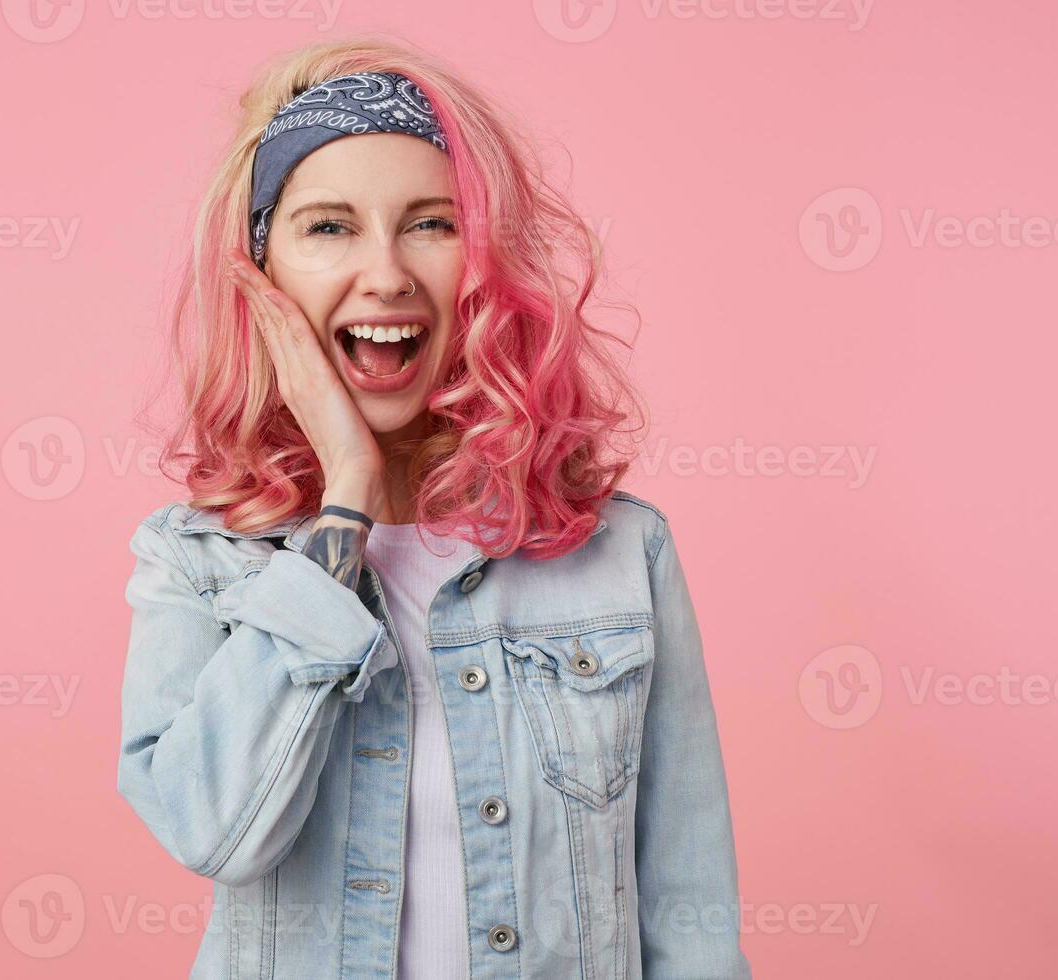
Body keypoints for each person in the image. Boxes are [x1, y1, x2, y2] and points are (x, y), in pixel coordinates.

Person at [117, 35, 752, 979]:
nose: (386, 275)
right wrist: (347, 501)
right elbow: (212, 831)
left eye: (432, 223)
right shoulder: (200, 559)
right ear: (264, 275)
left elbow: (689, 913)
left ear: (488, 260)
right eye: (328, 227)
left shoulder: (622, 553)